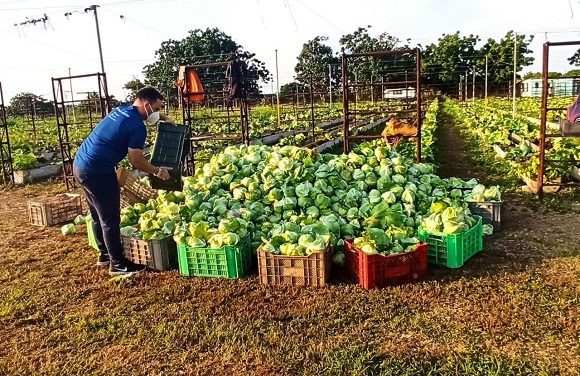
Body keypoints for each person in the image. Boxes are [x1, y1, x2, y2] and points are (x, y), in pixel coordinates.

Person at [73, 86, 174, 276]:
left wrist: (162, 118)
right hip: (98, 171)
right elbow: (136, 160)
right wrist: (158, 171)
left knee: (97, 214)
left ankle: (104, 254)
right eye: (157, 108)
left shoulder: (121, 110)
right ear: (146, 104)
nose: (158, 113)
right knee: (110, 218)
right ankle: (117, 264)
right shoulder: (137, 126)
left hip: (81, 165)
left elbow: (135, 121)